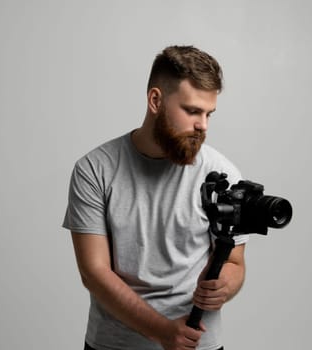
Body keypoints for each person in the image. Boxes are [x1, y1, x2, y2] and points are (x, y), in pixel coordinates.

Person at [63, 45, 249, 350]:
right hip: (114, 346)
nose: (202, 125)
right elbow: (94, 273)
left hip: (197, 344)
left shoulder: (222, 173)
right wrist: (163, 331)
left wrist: (224, 285)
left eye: (208, 113)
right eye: (191, 111)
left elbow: (235, 262)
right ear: (155, 100)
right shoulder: (95, 169)